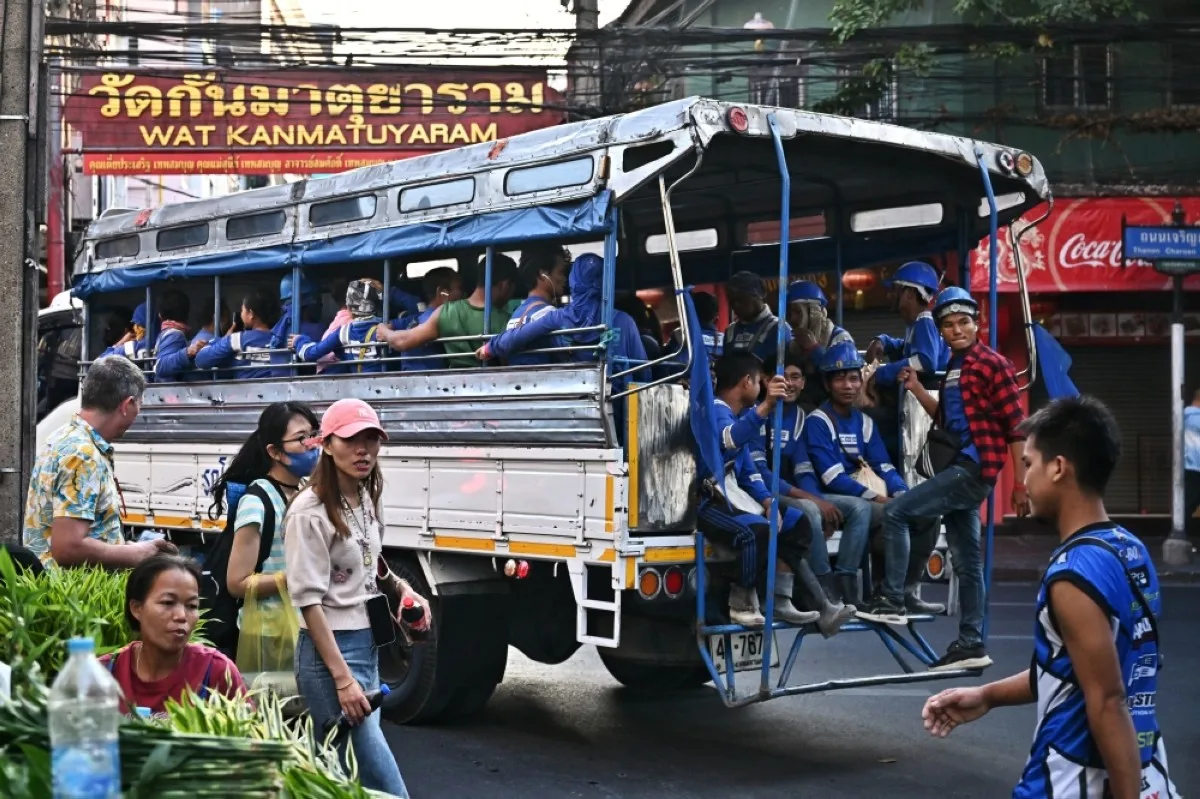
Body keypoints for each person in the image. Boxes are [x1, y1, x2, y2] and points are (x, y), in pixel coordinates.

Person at [922, 396, 1178, 799]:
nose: (1023, 480)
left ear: (1058, 468)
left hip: (1071, 779)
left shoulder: (1073, 575)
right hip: (1147, 771)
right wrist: (987, 696)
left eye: (1028, 464)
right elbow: (1079, 669)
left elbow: (1108, 701)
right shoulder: (1130, 549)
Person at [859, 287, 1029, 671]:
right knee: (968, 563)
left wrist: (1021, 483)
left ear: (977, 324)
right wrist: (917, 388)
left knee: (900, 512)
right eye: (948, 325)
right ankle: (971, 643)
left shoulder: (992, 363)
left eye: (963, 323)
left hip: (973, 467)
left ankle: (893, 598)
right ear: (941, 331)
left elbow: (1016, 427)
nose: (957, 330)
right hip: (961, 463)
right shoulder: (955, 365)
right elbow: (947, 421)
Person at [285, 399, 425, 797]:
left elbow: (371, 560)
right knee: (383, 783)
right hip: (329, 655)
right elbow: (308, 603)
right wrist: (343, 680)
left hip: (368, 645)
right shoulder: (308, 512)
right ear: (327, 444)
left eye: (372, 439)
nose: (363, 450)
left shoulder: (367, 495)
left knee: (334, 776)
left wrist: (401, 588)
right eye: (351, 440)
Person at [707, 352, 854, 633]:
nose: (762, 388)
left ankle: (785, 600)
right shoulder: (717, 410)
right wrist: (765, 408)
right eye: (759, 382)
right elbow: (729, 440)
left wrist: (768, 501)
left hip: (738, 496)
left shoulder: (744, 416)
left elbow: (749, 471)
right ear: (747, 382)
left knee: (795, 522)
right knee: (760, 531)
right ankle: (744, 601)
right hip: (710, 499)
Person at [802, 341, 940, 614]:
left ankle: (903, 591)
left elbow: (885, 466)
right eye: (839, 379)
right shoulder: (818, 421)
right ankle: (851, 588)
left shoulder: (865, 422)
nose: (848, 385)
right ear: (827, 384)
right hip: (832, 498)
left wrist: (901, 494)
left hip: (873, 501)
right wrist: (882, 500)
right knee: (882, 511)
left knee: (929, 514)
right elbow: (832, 478)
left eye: (854, 378)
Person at [23, 356, 176, 568]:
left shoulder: (62, 437)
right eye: (139, 405)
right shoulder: (82, 454)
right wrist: (135, 554)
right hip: (73, 596)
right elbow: (68, 547)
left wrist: (128, 547)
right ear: (127, 404)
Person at [750, 348, 872, 606]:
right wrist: (815, 503)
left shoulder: (801, 417)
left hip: (791, 493)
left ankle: (846, 582)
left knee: (860, 508)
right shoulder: (757, 414)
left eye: (796, 377)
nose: (790, 384)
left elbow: (803, 469)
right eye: (783, 377)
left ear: (804, 382)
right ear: (765, 380)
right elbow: (761, 473)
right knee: (811, 511)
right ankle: (823, 590)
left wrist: (821, 501)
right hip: (761, 494)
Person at [205, 402, 320, 657]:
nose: (312, 444)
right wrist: (293, 579)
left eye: (314, 434)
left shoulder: (304, 492)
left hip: (301, 629)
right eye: (301, 439)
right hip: (267, 636)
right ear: (275, 452)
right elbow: (237, 583)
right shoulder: (257, 503)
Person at [100, 555, 247, 717]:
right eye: (168, 603)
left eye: (192, 606)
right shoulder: (105, 672)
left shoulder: (215, 671)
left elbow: (250, 736)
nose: (181, 616)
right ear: (136, 608)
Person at [476, 253, 651, 385]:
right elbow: (644, 374)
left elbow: (515, 338)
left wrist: (489, 348)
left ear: (574, 283)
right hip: (619, 405)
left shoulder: (557, 317)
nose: (565, 279)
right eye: (562, 272)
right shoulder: (624, 321)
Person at [864, 261, 950, 463]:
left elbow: (925, 361)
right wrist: (884, 341)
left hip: (920, 406)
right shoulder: (916, 325)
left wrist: (881, 374)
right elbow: (907, 347)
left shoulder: (924, 321)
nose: (891, 296)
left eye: (896, 290)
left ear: (909, 294)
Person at [378, 254, 519, 369]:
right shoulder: (506, 321)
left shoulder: (446, 311)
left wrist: (384, 331)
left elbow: (404, 341)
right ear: (505, 285)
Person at [290, 279, 387, 374]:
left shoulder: (343, 332)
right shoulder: (388, 328)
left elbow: (310, 354)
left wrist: (299, 340)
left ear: (348, 305)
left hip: (358, 385)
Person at [784, 281, 854, 411]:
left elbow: (843, 377)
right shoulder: (793, 345)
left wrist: (814, 349)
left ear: (813, 312)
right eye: (790, 313)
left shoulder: (840, 338)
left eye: (798, 312)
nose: (792, 319)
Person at [193, 288, 290, 379]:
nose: (241, 314)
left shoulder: (237, 339)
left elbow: (201, 361)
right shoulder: (282, 338)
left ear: (251, 314)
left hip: (244, 393)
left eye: (242, 310)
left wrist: (209, 345)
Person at [502, 245, 570, 366]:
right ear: (543, 274)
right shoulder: (549, 314)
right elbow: (566, 355)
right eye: (560, 272)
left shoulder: (515, 314)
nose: (564, 279)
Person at [397, 266, 462, 371]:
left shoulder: (419, 318)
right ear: (442, 292)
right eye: (458, 288)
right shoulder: (439, 319)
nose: (462, 294)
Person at [723, 271, 791, 367]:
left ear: (758, 295)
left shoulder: (779, 328)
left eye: (741, 299)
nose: (736, 305)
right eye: (732, 301)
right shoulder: (730, 331)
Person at [152, 290, 195, 383]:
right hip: (171, 393)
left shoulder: (165, 332)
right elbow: (162, 366)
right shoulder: (174, 334)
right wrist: (187, 353)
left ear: (160, 315)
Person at [1185, 385, 1200, 537]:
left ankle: (1185, 533)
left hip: (1190, 466)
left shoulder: (1183, 416)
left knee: (1190, 501)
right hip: (1195, 466)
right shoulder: (1194, 416)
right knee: (1190, 502)